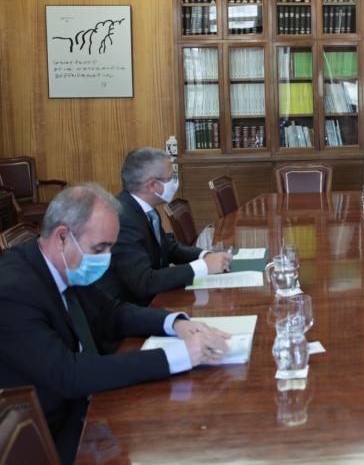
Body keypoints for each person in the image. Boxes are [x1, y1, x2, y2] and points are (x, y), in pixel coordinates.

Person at [0, 184, 230, 465]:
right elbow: (69, 374)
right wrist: (182, 355)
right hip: (53, 435)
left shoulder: (61, 263)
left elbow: (113, 313)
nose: (106, 258)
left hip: (92, 405)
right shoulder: (12, 291)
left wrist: (176, 324)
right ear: (62, 237)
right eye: (100, 248)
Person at [99, 147, 232, 306]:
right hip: (132, 312)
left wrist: (205, 255)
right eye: (170, 178)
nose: (175, 183)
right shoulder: (123, 219)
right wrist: (202, 268)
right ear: (153, 185)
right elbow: (145, 282)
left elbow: (168, 248)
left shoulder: (143, 209)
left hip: (156, 300)